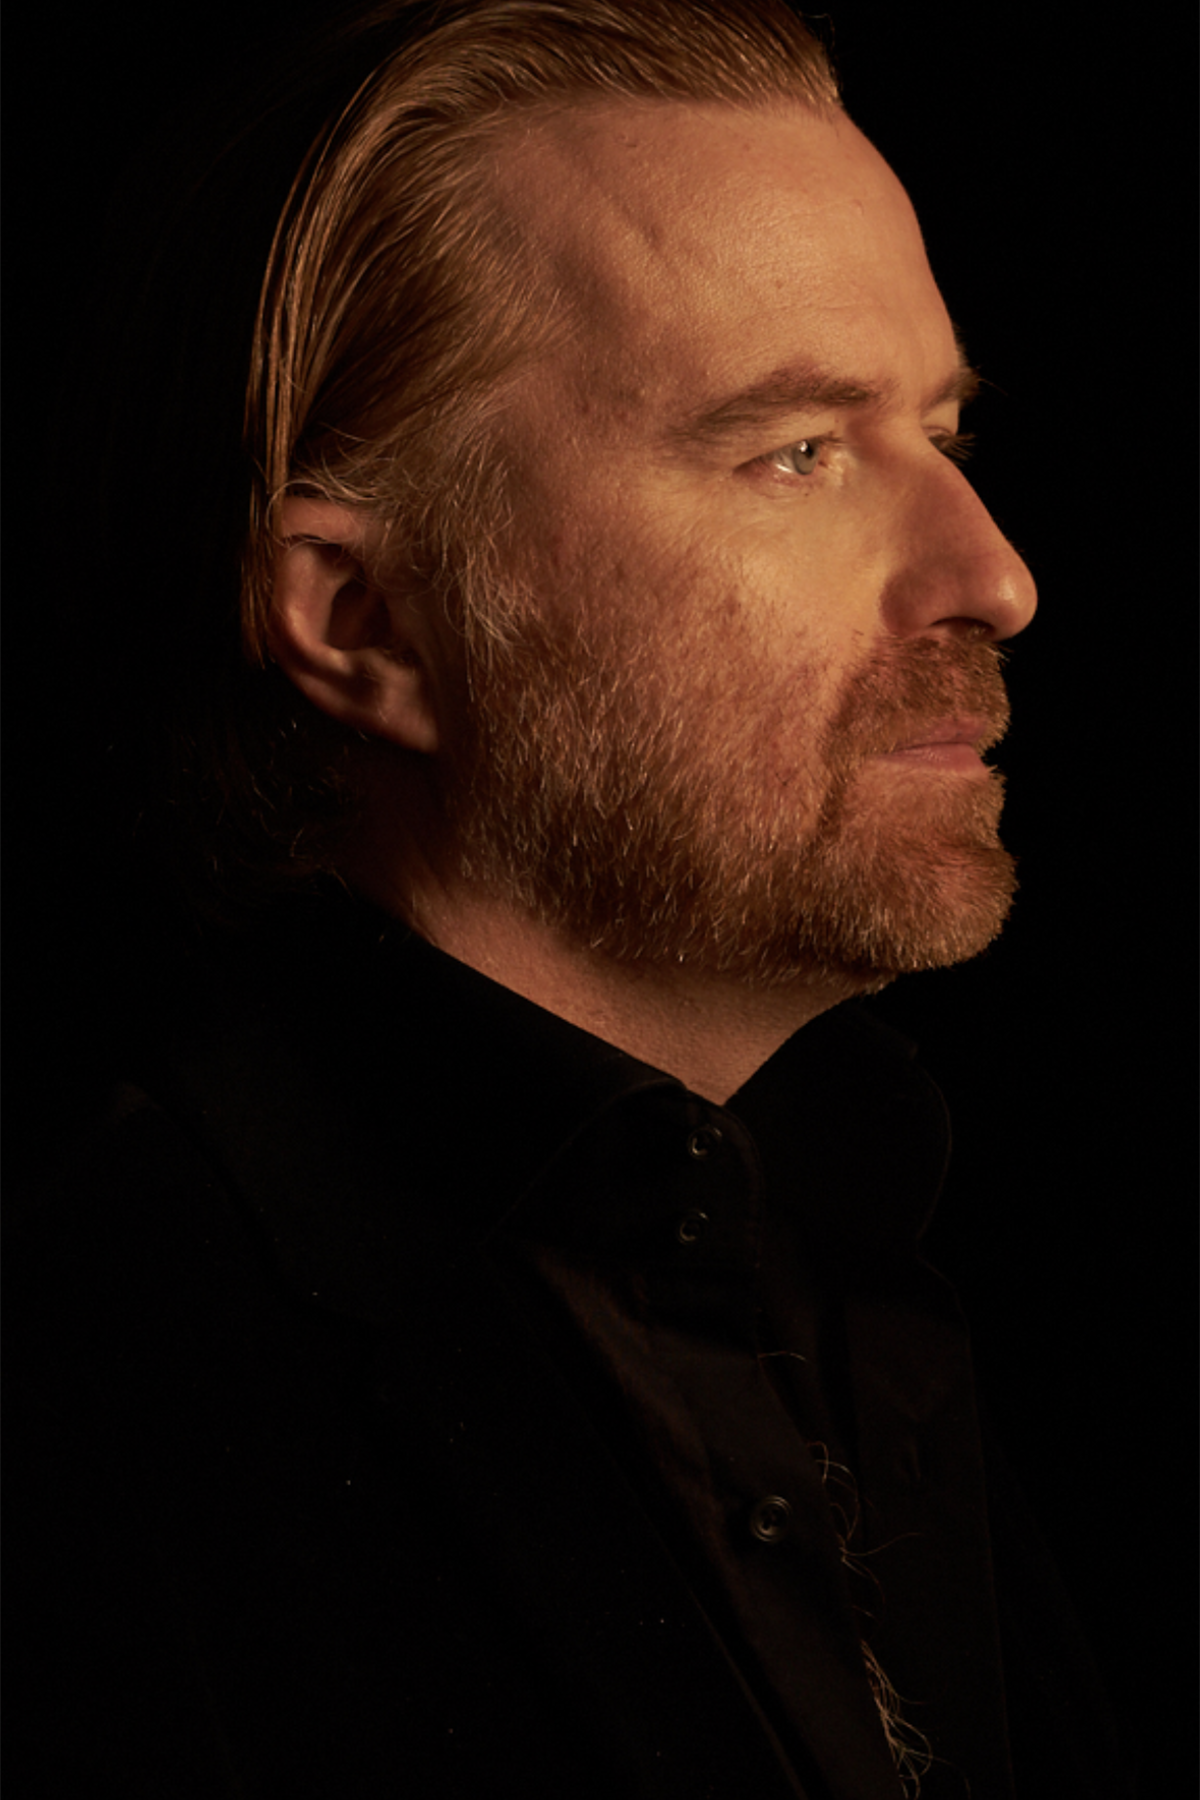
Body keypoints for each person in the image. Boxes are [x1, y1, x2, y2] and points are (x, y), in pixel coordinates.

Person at [7, 4, 1132, 1796]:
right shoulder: (94, 1401)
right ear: (366, 622)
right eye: (797, 452)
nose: (995, 578)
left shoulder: (850, 1254)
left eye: (943, 429)